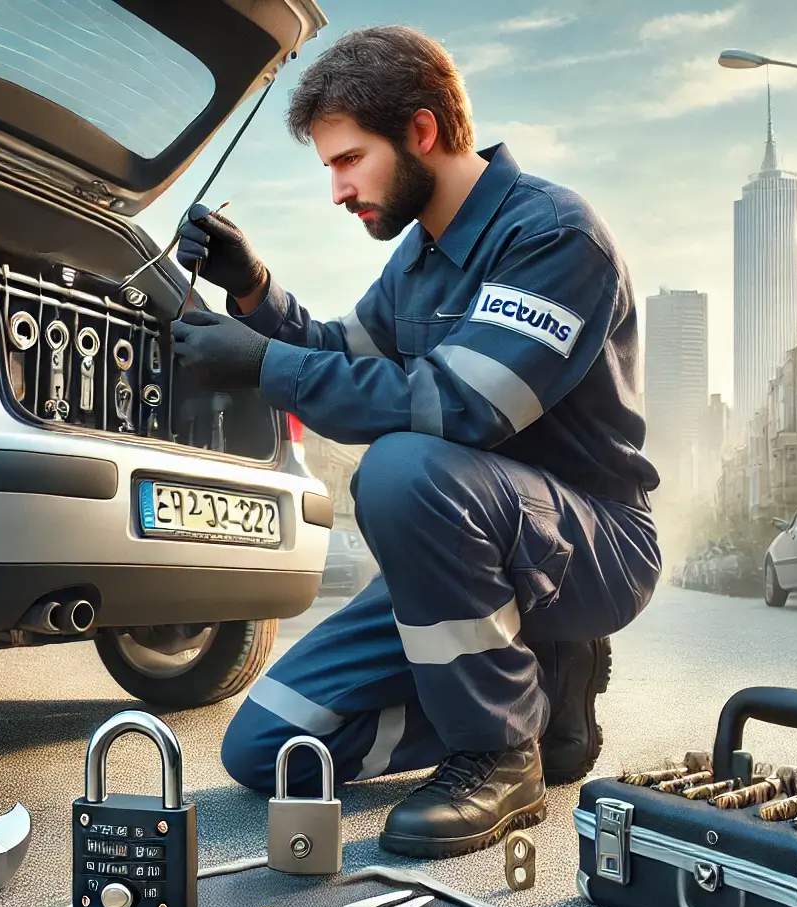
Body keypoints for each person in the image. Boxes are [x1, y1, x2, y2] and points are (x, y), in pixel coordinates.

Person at [170, 25, 661, 860]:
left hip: (591, 544)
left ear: (422, 132)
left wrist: (261, 366)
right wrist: (253, 290)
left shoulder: (553, 237)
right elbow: (342, 353)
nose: (336, 189)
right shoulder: (420, 260)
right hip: (462, 551)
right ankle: (536, 695)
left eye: (348, 160)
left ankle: (499, 756)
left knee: (402, 468)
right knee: (266, 751)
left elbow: (461, 407)